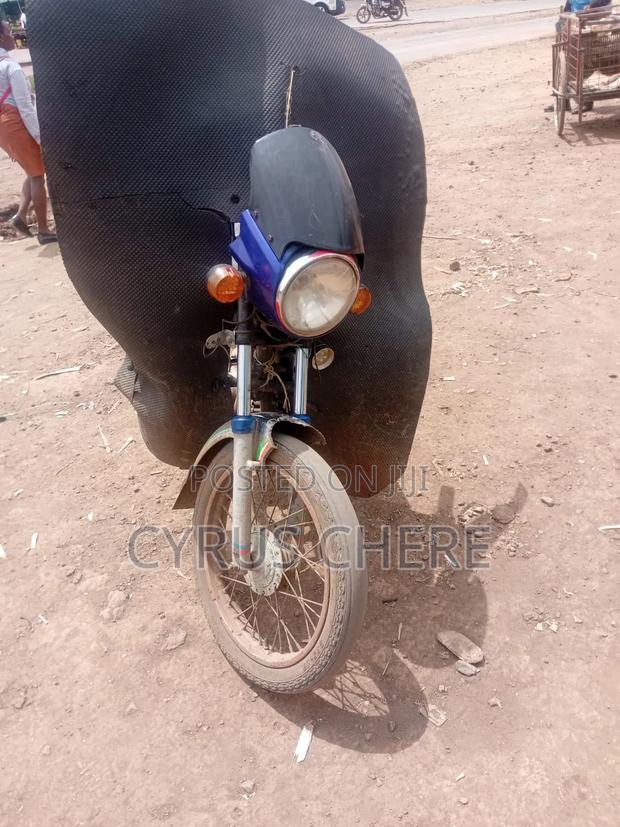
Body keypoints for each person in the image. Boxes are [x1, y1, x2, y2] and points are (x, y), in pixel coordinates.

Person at [0, 19, 56, 244]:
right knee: (37, 176)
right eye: (8, 32)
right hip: (15, 123)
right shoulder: (11, 67)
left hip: (3, 126)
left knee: (32, 170)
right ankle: (44, 230)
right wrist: (41, 138)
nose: (13, 36)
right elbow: (25, 107)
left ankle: (20, 215)